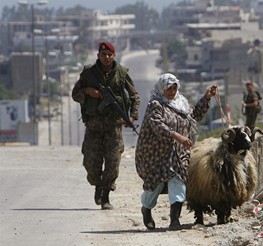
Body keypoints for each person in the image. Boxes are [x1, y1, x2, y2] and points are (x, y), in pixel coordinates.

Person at [135, 73, 217, 230]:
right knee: (155, 186)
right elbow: (158, 126)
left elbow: (194, 115)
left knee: (178, 183)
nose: (172, 91)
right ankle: (146, 209)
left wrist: (207, 97)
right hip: (158, 154)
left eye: (174, 88)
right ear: (161, 89)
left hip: (179, 154)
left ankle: (174, 220)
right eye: (168, 88)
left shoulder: (181, 104)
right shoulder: (155, 105)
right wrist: (177, 136)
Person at [72, 41, 140, 210]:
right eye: (104, 55)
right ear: (98, 55)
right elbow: (75, 94)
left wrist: (131, 116)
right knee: (91, 163)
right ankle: (97, 185)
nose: (107, 58)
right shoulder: (89, 73)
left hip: (113, 127)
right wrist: (88, 92)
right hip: (94, 126)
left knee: (113, 162)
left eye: (110, 55)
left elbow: (134, 97)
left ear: (114, 56)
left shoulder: (121, 73)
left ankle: (105, 195)